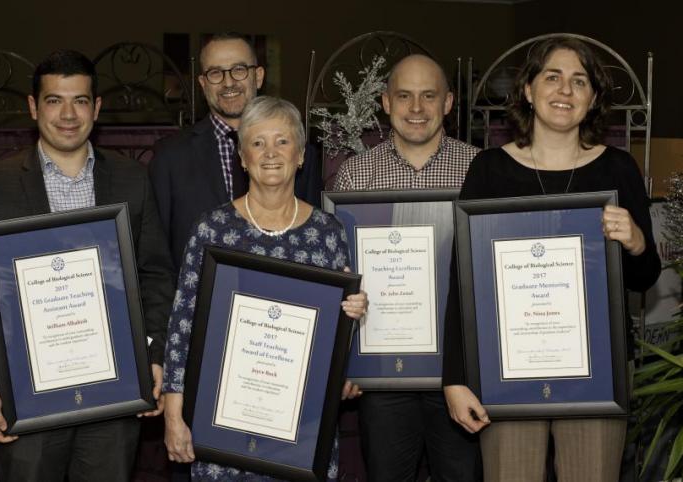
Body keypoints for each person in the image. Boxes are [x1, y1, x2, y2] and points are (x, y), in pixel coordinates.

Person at [0, 50, 174, 482]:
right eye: (54, 100)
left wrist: (154, 355)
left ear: (97, 107)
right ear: (33, 107)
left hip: (113, 392)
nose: (68, 114)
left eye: (80, 100)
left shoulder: (131, 178)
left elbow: (157, 275)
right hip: (26, 396)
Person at [442, 36, 661, 482]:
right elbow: (463, 282)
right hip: (507, 371)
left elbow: (645, 277)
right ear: (528, 90)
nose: (565, 91)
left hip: (596, 375)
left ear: (593, 98)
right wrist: (455, 377)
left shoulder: (618, 169)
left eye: (580, 82)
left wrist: (636, 241)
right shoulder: (489, 169)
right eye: (553, 77)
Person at [161, 96, 367, 481]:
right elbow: (182, 327)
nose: (270, 153)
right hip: (222, 422)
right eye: (257, 143)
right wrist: (174, 415)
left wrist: (353, 316)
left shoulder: (328, 232)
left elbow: (335, 333)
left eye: (282, 141)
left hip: (302, 428)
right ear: (242, 157)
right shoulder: (212, 230)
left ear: (301, 155)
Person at [333, 54, 482, 482]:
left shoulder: (480, 170)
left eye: (429, 95)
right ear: (385, 102)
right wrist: (350, 357)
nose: (416, 108)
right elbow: (342, 276)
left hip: (459, 372)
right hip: (382, 375)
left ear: (449, 103)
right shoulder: (355, 177)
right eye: (404, 96)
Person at [149, 32, 324, 275]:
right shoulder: (170, 157)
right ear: (202, 83)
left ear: (258, 76)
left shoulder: (296, 154)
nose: (228, 82)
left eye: (239, 69)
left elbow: (313, 238)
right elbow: (156, 260)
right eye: (215, 73)